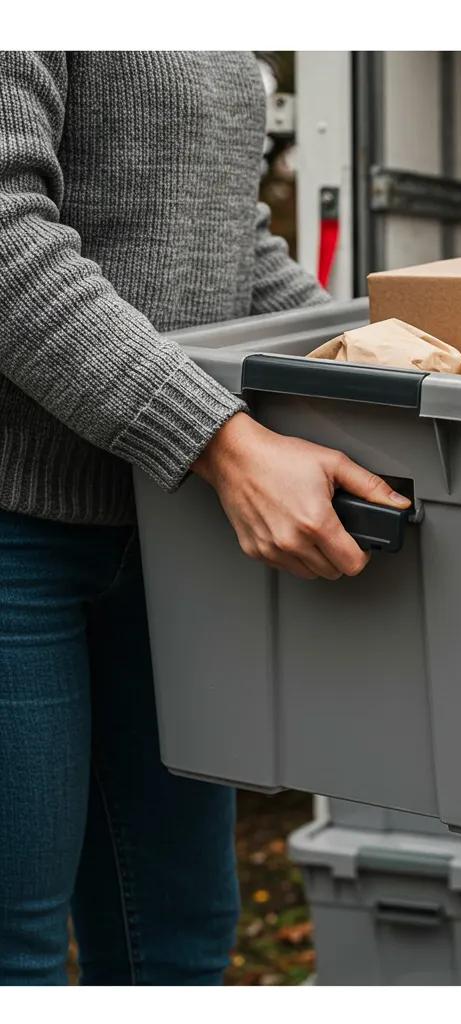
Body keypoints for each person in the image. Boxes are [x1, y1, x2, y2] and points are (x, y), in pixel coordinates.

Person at [0, 51, 409, 985]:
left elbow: (229, 246)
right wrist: (220, 440)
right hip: (16, 532)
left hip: (167, 535)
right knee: (14, 947)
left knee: (178, 935)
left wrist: (374, 371)